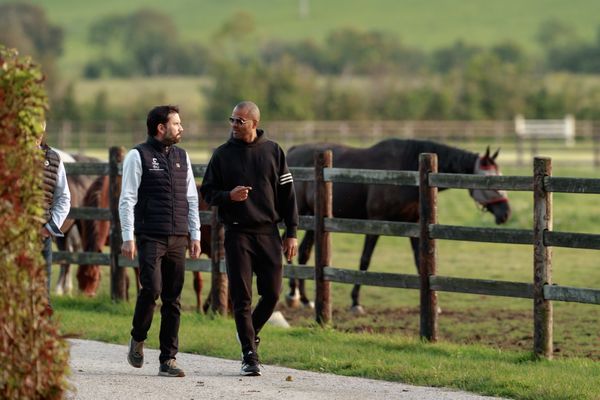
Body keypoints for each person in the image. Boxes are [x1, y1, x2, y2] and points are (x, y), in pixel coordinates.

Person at [200, 101, 298, 376]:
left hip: (268, 233)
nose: (233, 125)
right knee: (241, 298)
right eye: (231, 120)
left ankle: (248, 333)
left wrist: (291, 232)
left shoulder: (273, 151)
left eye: (239, 121)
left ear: (254, 123)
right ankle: (249, 355)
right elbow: (208, 192)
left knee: (272, 293)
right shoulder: (221, 155)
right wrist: (228, 196)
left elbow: (288, 197)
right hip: (236, 233)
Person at [119, 105, 201, 378]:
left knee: (173, 299)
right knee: (151, 289)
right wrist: (127, 236)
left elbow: (191, 198)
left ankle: (168, 359)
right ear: (160, 128)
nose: (181, 128)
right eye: (176, 124)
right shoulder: (137, 155)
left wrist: (195, 234)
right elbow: (127, 198)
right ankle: (138, 338)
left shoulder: (182, 157)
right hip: (150, 234)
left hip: (178, 236)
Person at [37, 121, 71, 305]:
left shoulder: (53, 158)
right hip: (12, 238)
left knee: (42, 295)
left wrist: (49, 228)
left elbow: (64, 198)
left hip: (42, 236)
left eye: (40, 129)